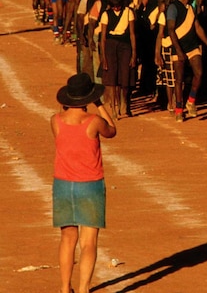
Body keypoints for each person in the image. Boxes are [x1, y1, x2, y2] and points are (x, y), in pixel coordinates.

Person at [52, 73, 117, 293]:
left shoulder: (55, 120)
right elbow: (112, 130)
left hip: (62, 184)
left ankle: (63, 288)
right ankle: (83, 289)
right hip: (90, 184)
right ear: (88, 97)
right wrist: (99, 105)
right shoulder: (94, 122)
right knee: (88, 242)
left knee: (67, 238)